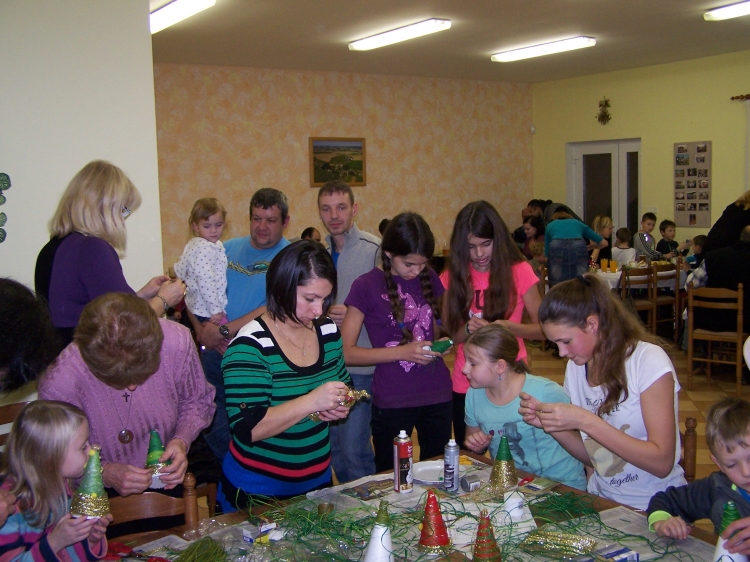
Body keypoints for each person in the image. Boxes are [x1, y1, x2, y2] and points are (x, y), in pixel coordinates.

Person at [519, 274, 686, 510]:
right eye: (556, 343)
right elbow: (597, 457)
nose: (562, 353)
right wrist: (554, 426)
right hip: (604, 499)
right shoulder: (577, 368)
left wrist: (585, 421)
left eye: (566, 341)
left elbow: (661, 463)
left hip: (657, 506)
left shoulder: (647, 361)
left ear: (592, 324)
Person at [39, 293, 216, 500]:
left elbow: (197, 401)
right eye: (117, 379)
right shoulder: (59, 384)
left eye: (142, 374)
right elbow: (55, 461)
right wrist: (103, 472)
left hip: (168, 476)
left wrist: (181, 440)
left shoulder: (177, 341)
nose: (132, 387)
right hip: (95, 494)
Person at [219, 241, 352, 508]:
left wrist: (342, 402)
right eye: (310, 299)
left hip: (317, 481)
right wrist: (311, 402)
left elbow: (343, 384)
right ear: (282, 287)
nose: (318, 310)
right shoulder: (249, 347)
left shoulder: (327, 331)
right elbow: (248, 428)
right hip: (258, 491)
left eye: (325, 299)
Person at [342, 212, 453, 473]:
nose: (416, 271)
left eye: (422, 264)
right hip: (393, 399)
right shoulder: (365, 285)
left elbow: (441, 328)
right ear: (389, 252)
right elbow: (346, 353)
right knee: (393, 477)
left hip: (437, 393)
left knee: (438, 473)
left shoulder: (429, 277)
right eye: (409, 264)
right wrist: (403, 352)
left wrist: (443, 342)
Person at [34, 160, 185, 347]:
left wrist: (142, 295)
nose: (123, 219)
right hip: (85, 360)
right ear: (105, 207)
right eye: (124, 210)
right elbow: (128, 325)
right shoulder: (92, 249)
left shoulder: (51, 249)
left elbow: (97, 309)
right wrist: (164, 300)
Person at [188, 188, 290, 462]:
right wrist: (201, 331)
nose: (262, 227)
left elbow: (275, 306)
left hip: (258, 359)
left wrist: (225, 331)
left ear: (286, 222)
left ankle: (248, 471)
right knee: (208, 418)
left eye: (271, 220)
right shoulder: (223, 248)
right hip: (215, 352)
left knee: (254, 426)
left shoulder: (290, 257)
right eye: (256, 218)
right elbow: (191, 288)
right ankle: (234, 472)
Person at [441, 201, 543, 448]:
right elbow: (449, 337)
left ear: (499, 238)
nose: (479, 254)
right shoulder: (452, 276)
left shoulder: (519, 270)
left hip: (510, 378)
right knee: (470, 452)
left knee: (515, 452)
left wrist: (510, 328)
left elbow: (545, 330)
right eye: (471, 247)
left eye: (486, 244)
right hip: (466, 380)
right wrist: (467, 329)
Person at [462, 324, 586, 489]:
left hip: (562, 486)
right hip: (512, 486)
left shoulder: (545, 391)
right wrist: (477, 447)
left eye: (473, 363)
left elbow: (586, 443)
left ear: (500, 366)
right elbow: (472, 443)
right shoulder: (473, 395)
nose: (464, 369)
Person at [317, 181, 380, 483]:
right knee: (334, 451)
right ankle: (349, 504)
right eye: (326, 209)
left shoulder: (374, 250)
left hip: (361, 368)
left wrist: (358, 313)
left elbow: (392, 308)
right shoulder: (318, 254)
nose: (334, 216)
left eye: (341, 207)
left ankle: (368, 507)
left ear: (354, 209)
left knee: (355, 449)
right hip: (325, 366)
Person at [0, 401, 112, 560]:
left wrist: (89, 539)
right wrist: (55, 542)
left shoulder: (63, 487)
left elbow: (67, 553)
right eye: (83, 447)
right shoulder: (9, 509)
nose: (91, 450)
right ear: (50, 458)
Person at [647, 397, 750, 556]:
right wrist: (662, 522)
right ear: (719, 464)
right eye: (731, 465)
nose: (746, 472)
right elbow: (666, 500)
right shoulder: (716, 487)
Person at [174, 197, 228, 327]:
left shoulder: (193, 244)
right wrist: (216, 310)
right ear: (196, 226)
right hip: (207, 310)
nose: (213, 230)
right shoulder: (205, 250)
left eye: (218, 225)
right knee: (225, 334)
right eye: (207, 226)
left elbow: (179, 270)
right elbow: (206, 281)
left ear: (224, 223)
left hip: (197, 306)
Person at [686, 225, 750, 333]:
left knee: (690, 306)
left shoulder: (713, 256)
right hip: (745, 322)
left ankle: (685, 343)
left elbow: (690, 284)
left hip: (711, 319)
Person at [544, 213, 607, 286]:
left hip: (557, 244)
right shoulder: (579, 224)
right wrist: (590, 247)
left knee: (556, 283)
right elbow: (604, 243)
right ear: (570, 217)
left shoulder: (550, 225)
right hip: (578, 244)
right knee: (581, 281)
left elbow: (546, 255)